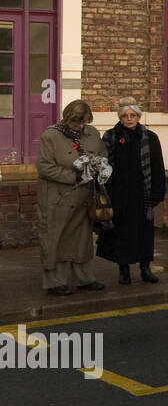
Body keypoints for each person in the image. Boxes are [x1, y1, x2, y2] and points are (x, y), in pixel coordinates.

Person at [37, 100, 107, 296]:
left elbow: (102, 154)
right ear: (68, 118)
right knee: (55, 240)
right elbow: (44, 167)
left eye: (84, 122)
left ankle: (85, 278)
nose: (81, 126)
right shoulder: (51, 135)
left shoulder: (92, 133)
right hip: (58, 198)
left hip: (84, 196)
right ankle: (55, 282)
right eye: (77, 123)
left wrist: (101, 166)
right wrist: (73, 176)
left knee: (82, 240)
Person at [96, 98, 166, 285]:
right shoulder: (110, 136)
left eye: (133, 115)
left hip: (143, 193)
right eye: (125, 116)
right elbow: (104, 165)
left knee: (144, 235)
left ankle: (145, 269)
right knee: (122, 235)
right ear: (120, 117)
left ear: (138, 116)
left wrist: (157, 194)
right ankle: (124, 270)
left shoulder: (149, 137)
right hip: (119, 194)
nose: (129, 119)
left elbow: (158, 166)